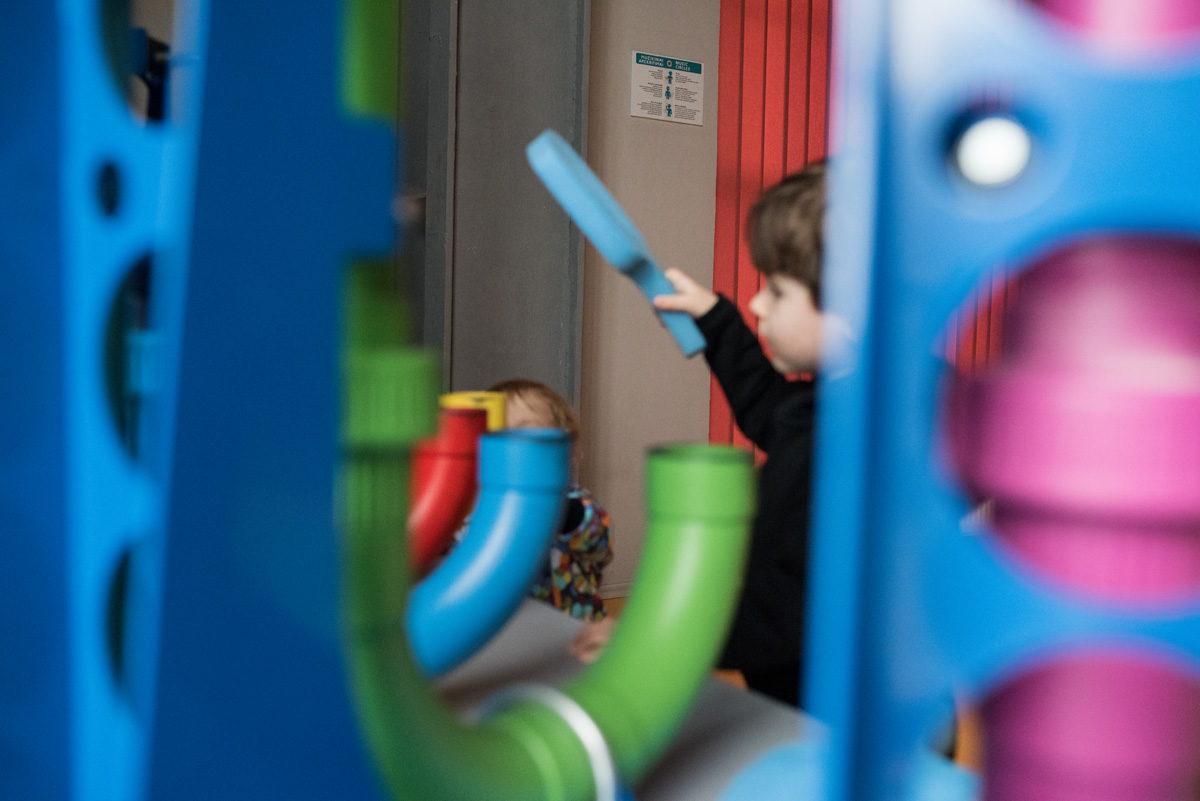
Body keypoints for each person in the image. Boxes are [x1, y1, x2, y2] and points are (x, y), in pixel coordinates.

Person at [653, 162, 844, 707]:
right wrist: (716, 320)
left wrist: (661, 636)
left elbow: (788, 609)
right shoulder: (844, 408)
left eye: (778, 292)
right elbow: (771, 410)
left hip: (829, 719)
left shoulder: (850, 452)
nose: (758, 304)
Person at [488, 379, 616, 663]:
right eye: (498, 435)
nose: (513, 447)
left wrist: (554, 506)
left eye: (527, 433)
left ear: (568, 449)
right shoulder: (477, 511)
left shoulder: (574, 502)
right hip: (506, 642)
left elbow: (598, 540)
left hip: (576, 641)